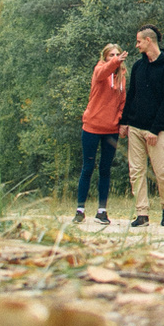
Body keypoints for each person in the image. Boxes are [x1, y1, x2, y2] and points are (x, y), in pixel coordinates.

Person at [121, 23, 164, 228]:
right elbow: (132, 95)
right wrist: (124, 122)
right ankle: (142, 214)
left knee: (161, 171)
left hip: (156, 129)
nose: (136, 45)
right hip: (135, 128)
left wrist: (155, 129)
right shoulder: (138, 66)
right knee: (136, 171)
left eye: (138, 41)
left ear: (148, 40)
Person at [73, 44, 125, 225]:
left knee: (105, 169)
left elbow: (122, 102)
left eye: (118, 54)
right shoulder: (99, 70)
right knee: (87, 168)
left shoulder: (121, 77)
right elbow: (102, 73)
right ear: (105, 57)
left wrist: (118, 120)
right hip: (92, 127)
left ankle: (101, 211)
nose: (115, 57)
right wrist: (115, 62)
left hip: (111, 130)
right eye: (111, 54)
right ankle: (80, 210)